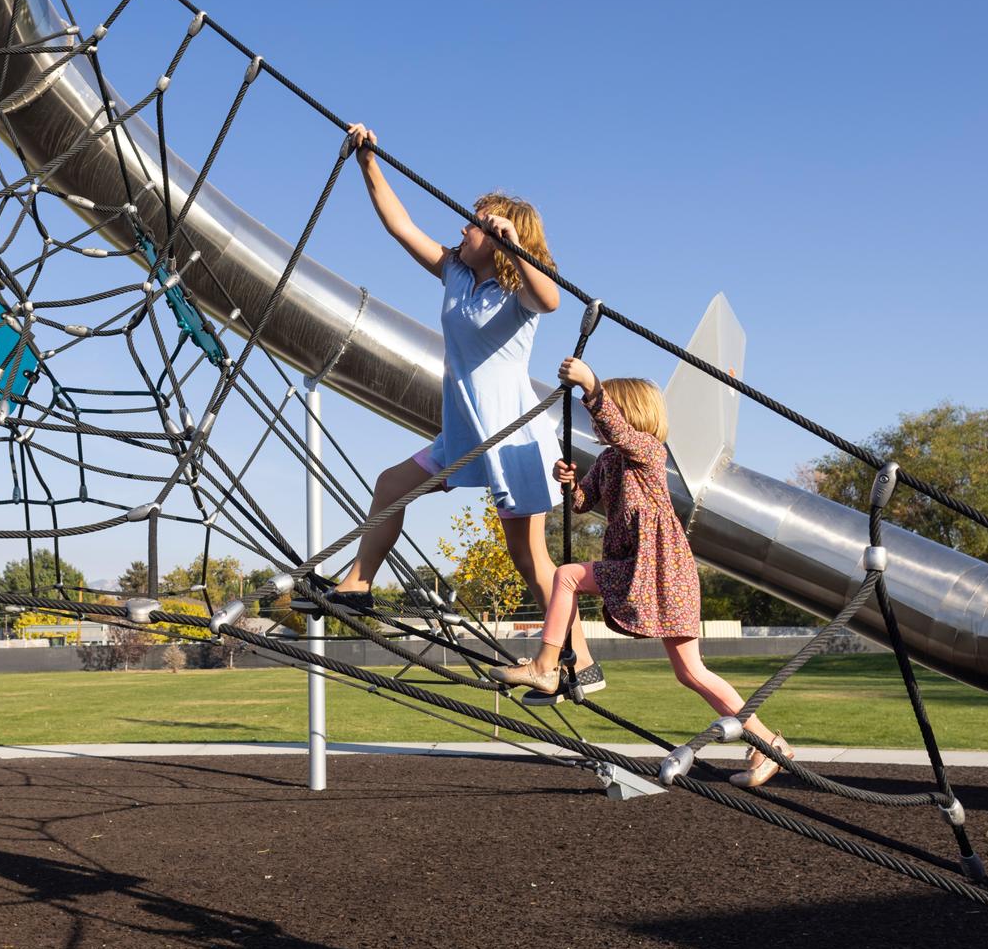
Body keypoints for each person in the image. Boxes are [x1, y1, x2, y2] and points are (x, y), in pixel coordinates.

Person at [302, 124, 591, 680]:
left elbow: (551, 300)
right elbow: (400, 226)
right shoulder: (456, 272)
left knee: (532, 563)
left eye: (474, 222)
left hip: (511, 436)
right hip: (463, 432)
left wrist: (514, 243)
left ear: (501, 237)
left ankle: (579, 659)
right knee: (391, 485)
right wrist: (369, 162)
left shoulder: (518, 292)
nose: (461, 226)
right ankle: (357, 586)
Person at [491, 356, 793, 787]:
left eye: (609, 407)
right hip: (637, 569)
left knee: (570, 579)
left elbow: (615, 427)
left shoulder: (649, 452)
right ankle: (769, 743)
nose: (596, 418)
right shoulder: (610, 462)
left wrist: (592, 387)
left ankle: (545, 664)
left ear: (628, 412)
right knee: (689, 671)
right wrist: (569, 483)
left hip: (662, 572)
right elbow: (581, 503)